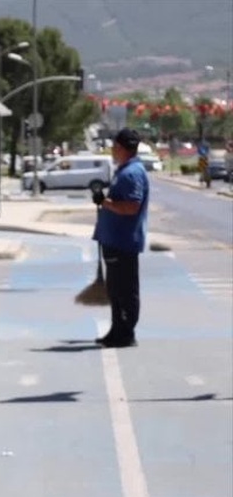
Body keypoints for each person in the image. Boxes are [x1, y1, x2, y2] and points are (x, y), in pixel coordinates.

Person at [92, 128, 150, 348]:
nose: (113, 150)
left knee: (124, 290)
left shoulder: (131, 173)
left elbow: (132, 206)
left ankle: (126, 332)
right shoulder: (124, 170)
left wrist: (105, 202)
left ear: (122, 147)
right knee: (115, 290)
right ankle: (117, 330)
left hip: (123, 241)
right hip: (114, 240)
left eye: (115, 146)